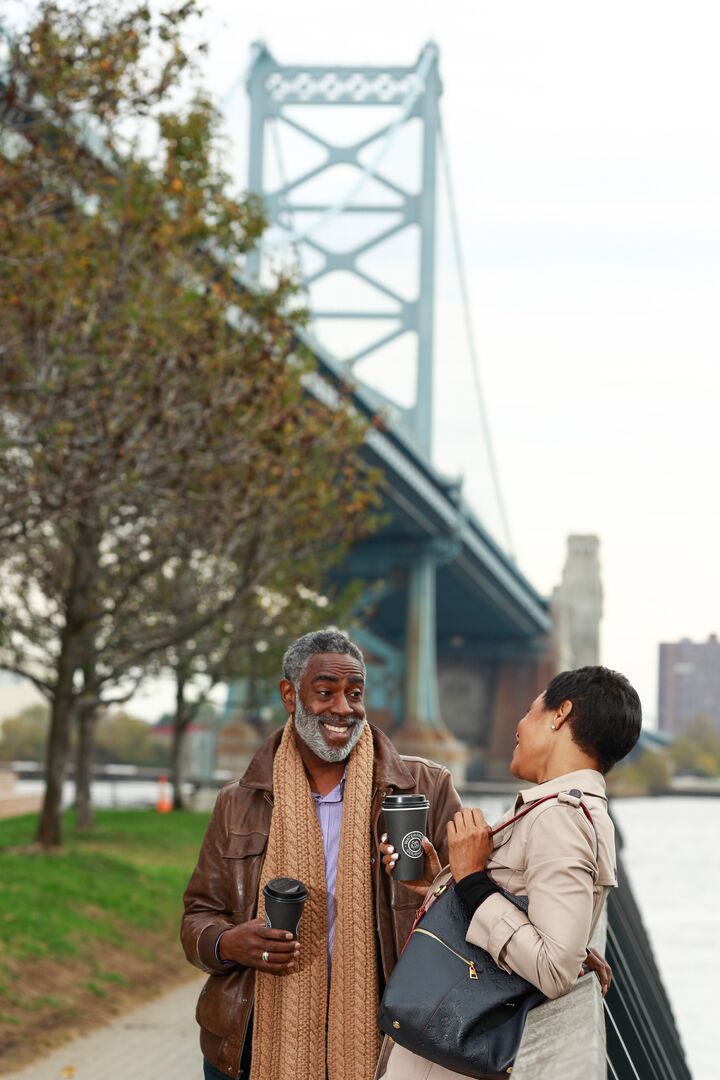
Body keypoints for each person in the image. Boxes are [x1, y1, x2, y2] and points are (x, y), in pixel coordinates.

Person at [181, 629, 462, 1080]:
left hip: (386, 1039)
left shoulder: (424, 789)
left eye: (354, 694)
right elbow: (198, 914)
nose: (343, 709)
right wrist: (228, 942)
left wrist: (544, 934)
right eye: (326, 691)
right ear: (289, 695)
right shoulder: (238, 801)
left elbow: (473, 898)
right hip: (251, 1045)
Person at [376, 665, 642, 1080]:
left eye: (531, 709)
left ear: (560, 713)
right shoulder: (573, 810)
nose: (518, 726)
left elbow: (552, 968)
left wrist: (470, 879)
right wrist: (441, 883)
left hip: (447, 1060)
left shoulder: (560, 818)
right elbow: (539, 922)